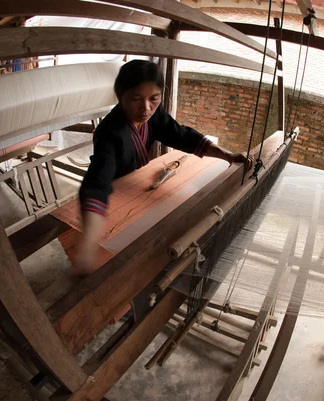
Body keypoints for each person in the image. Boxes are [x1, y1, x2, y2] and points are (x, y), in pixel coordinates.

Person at [74, 60, 252, 275]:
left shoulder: (153, 116)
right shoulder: (109, 133)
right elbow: (97, 183)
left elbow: (181, 135)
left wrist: (227, 155)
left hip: (138, 187)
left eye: (154, 99)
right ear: (120, 96)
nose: (146, 108)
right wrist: (88, 243)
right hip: (114, 200)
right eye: (136, 99)